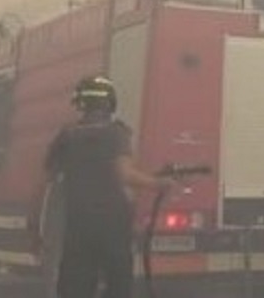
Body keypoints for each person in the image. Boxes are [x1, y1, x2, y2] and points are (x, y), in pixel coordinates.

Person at [44, 75, 174, 298]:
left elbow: (49, 179)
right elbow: (124, 173)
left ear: (80, 103)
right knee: (118, 285)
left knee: (75, 287)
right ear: (110, 102)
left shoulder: (67, 135)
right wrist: (158, 183)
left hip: (77, 227)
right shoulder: (116, 133)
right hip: (113, 226)